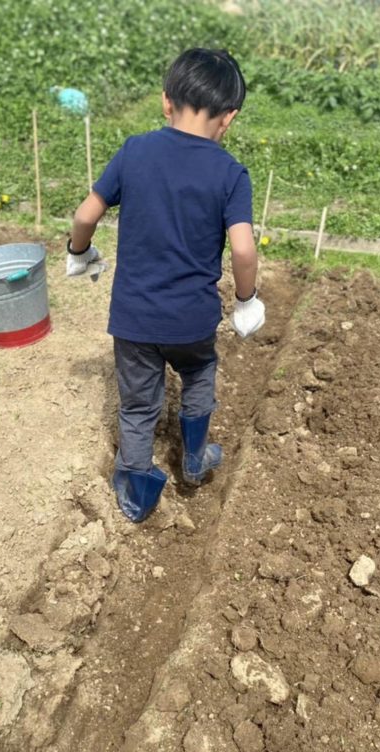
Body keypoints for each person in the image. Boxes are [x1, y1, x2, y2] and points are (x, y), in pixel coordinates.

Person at [66, 48, 265, 523]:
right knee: (198, 373)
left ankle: (137, 491)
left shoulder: (135, 151)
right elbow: (243, 250)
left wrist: (79, 252)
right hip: (191, 319)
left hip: (134, 317)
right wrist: (246, 300)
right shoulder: (230, 173)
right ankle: (194, 458)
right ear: (229, 117)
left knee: (138, 405)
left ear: (165, 102)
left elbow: (86, 215)